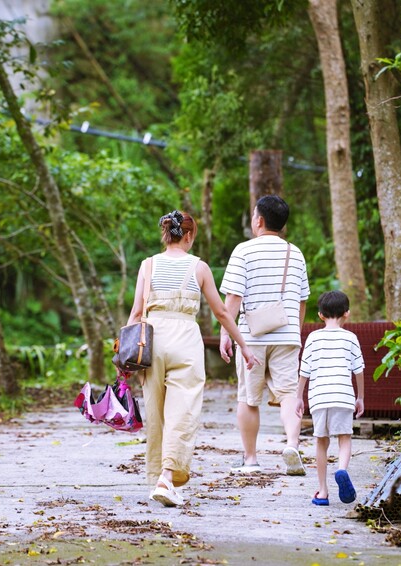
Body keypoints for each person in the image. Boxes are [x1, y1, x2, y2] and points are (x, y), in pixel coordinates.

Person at [126, 210, 258, 508]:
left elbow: (136, 313)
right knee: (183, 411)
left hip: (151, 340)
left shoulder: (147, 266)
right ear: (188, 236)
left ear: (166, 234)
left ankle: (159, 476)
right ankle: (167, 478)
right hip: (185, 339)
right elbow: (222, 312)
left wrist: (125, 355)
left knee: (156, 411)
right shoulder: (199, 267)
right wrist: (244, 346)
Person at [219, 195, 310, 475]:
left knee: (248, 398)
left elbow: (234, 297)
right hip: (287, 336)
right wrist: (295, 331)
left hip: (251, 337)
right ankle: (292, 445)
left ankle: (250, 460)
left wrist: (226, 332)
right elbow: (303, 300)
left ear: (258, 220)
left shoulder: (243, 251)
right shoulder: (295, 253)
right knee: (287, 395)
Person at [296, 290, 365, 506]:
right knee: (344, 438)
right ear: (347, 313)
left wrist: (299, 397)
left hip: (319, 397)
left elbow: (304, 371)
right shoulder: (351, 338)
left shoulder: (313, 338)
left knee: (321, 442)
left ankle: (323, 492)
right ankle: (341, 470)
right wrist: (360, 397)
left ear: (320, 315)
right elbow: (359, 370)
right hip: (343, 396)